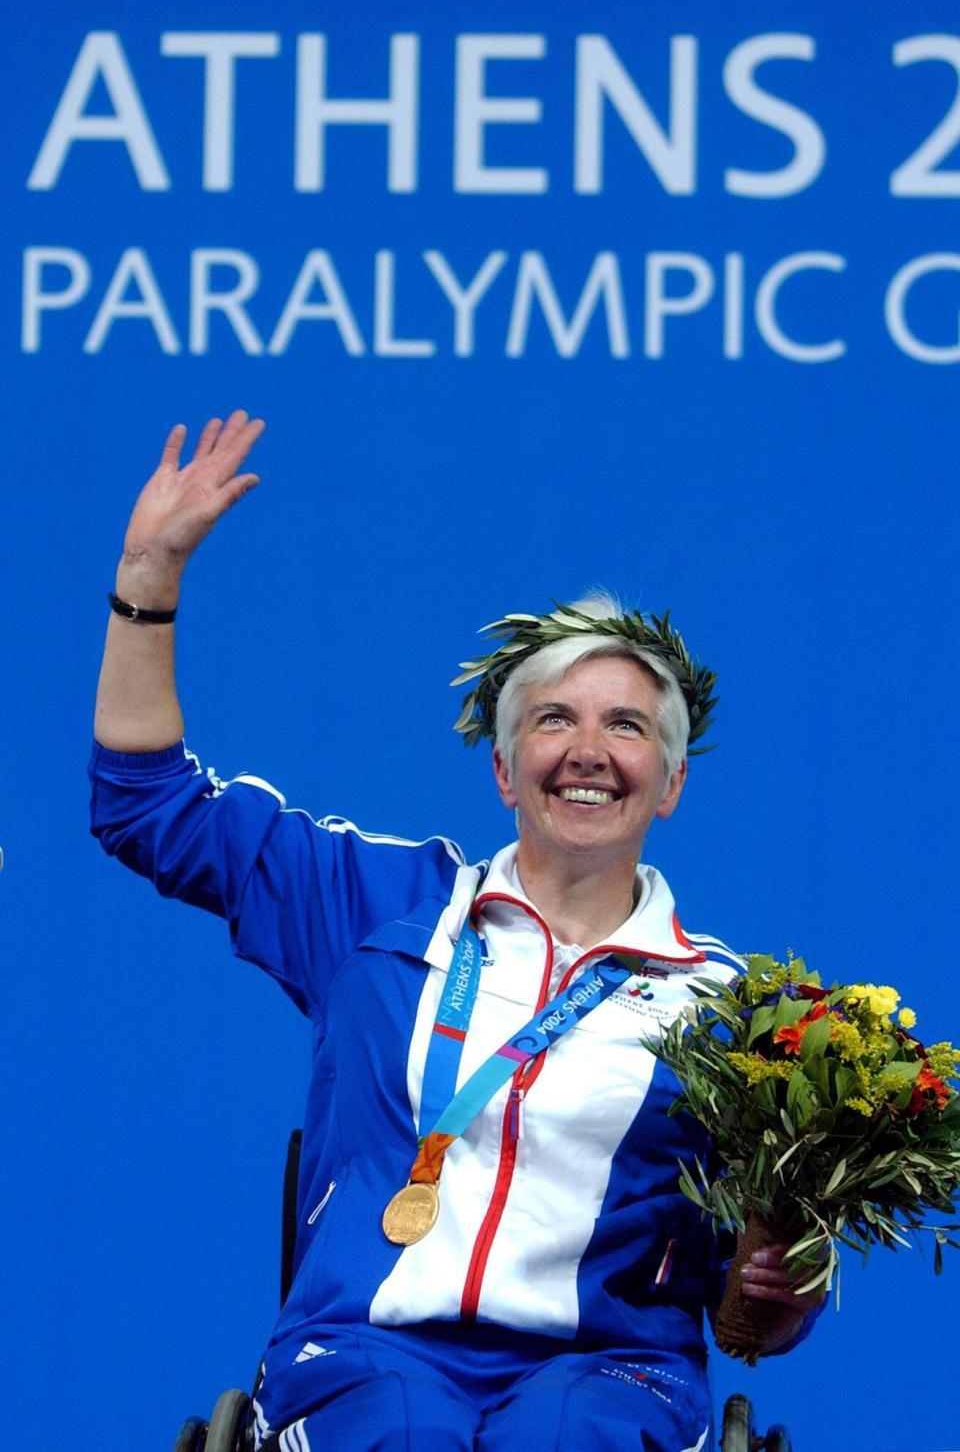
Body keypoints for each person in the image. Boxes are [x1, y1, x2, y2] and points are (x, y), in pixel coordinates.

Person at [91, 412, 822, 1452]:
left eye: (627, 725)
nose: (589, 749)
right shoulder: (378, 904)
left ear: (671, 782)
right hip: (362, 1351)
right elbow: (143, 803)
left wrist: (775, 1287)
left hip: (612, 1372)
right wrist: (148, 575)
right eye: (553, 718)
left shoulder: (737, 1011)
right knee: (398, 1431)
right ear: (503, 766)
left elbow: (752, 1318)